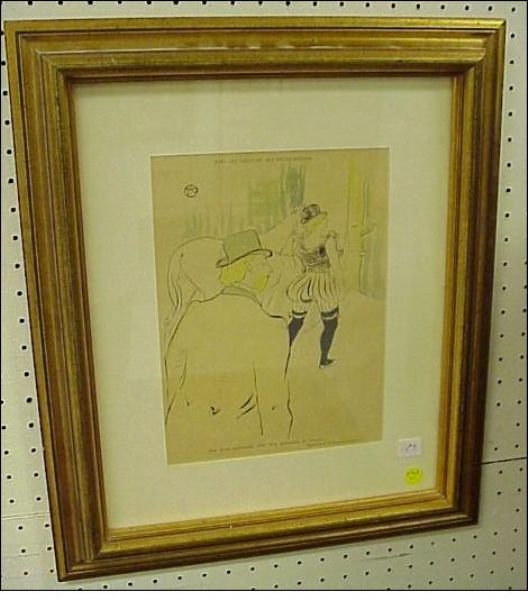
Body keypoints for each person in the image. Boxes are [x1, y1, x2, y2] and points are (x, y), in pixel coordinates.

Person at [164, 229, 293, 461]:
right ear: (247, 268)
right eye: (263, 264)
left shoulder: (195, 311)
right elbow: (274, 406)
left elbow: (173, 364)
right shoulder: (271, 328)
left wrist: (188, 404)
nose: (270, 270)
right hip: (237, 442)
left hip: (183, 433)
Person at [286, 203, 340, 368]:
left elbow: (300, 260)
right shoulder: (326, 239)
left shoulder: (299, 240)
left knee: (296, 321)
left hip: (306, 281)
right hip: (323, 282)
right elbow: (336, 264)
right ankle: (323, 359)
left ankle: (283, 351)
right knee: (330, 323)